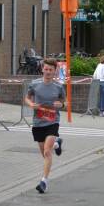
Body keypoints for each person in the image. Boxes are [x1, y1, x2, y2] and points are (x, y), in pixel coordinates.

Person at [24, 58, 65, 193]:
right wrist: (31, 104)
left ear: (55, 71)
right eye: (46, 69)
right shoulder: (34, 84)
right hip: (38, 122)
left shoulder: (59, 86)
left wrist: (61, 104)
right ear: (42, 69)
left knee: (47, 152)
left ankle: (44, 182)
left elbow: (64, 102)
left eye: (50, 70)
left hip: (53, 121)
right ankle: (57, 144)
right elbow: (27, 98)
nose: (48, 72)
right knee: (44, 152)